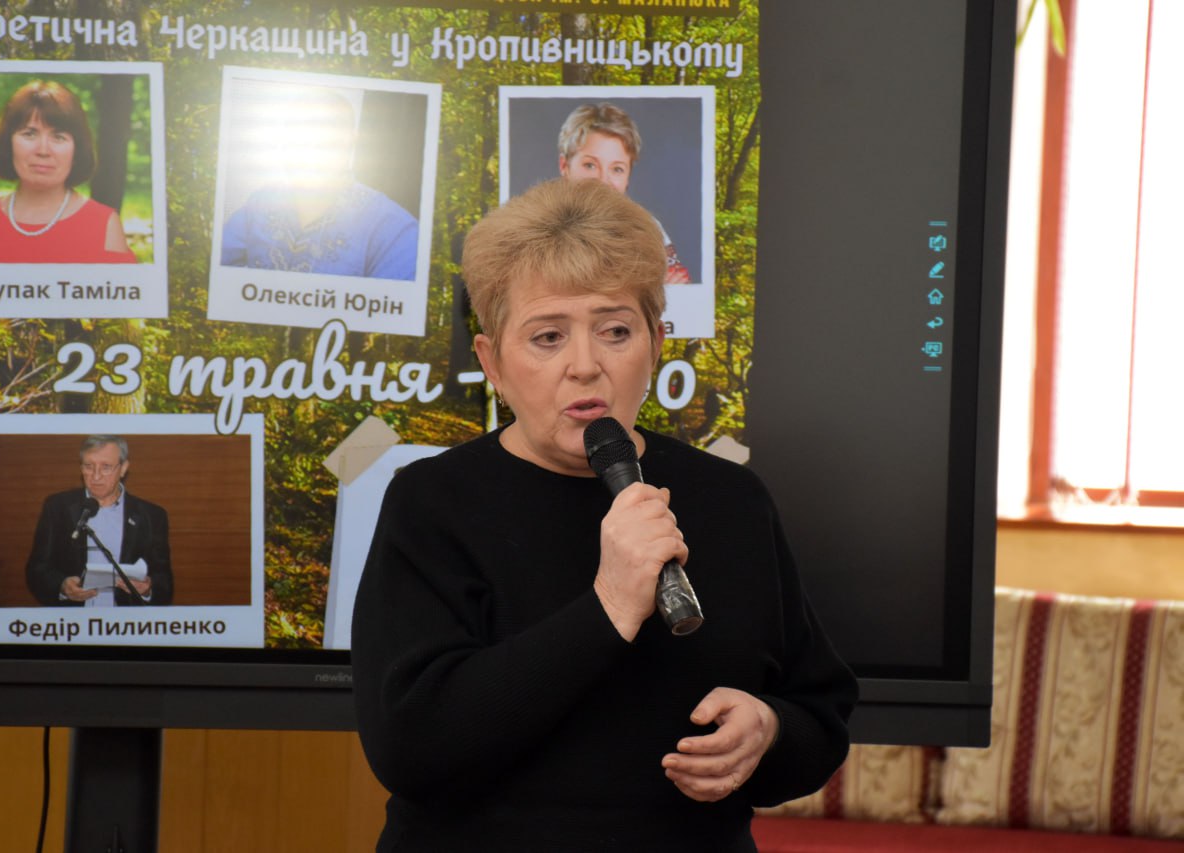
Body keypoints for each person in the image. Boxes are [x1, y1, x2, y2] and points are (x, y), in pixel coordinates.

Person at [352, 179, 856, 851]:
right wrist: (609, 605)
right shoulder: (431, 501)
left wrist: (769, 731)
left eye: (615, 331)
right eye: (548, 336)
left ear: (656, 341)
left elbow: (820, 713)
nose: (585, 366)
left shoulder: (733, 499)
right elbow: (411, 748)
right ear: (492, 362)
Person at [219, 85, 418, 280]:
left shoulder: (395, 231)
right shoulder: (259, 205)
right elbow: (218, 273)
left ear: (351, 141)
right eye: (296, 134)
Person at [0, 80, 137, 264]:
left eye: (58, 137)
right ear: (8, 143)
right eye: (29, 134)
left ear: (76, 150)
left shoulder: (104, 226)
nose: (43, 150)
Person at [25, 435, 172, 607]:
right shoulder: (57, 508)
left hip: (125, 619)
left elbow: (164, 581)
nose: (95, 476)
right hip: (73, 619)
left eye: (106, 467)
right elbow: (37, 570)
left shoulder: (151, 516)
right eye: (88, 466)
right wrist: (62, 586)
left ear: (123, 468)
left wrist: (148, 590)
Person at [558, 102, 692, 284]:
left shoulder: (649, 229)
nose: (603, 180)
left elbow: (678, 289)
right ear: (565, 166)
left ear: (628, 177)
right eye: (590, 165)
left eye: (617, 169)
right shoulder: (537, 228)